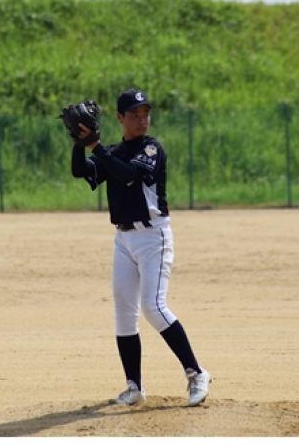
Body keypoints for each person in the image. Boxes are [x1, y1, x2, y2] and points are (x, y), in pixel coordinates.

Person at [70, 87, 211, 407]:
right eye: (135, 114)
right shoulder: (113, 150)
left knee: (153, 306)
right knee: (124, 313)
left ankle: (197, 373)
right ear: (120, 118)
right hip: (123, 239)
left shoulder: (151, 148)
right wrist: (79, 143)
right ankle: (134, 387)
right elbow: (82, 171)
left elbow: (130, 175)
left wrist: (95, 146)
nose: (142, 119)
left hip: (152, 238)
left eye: (145, 113)